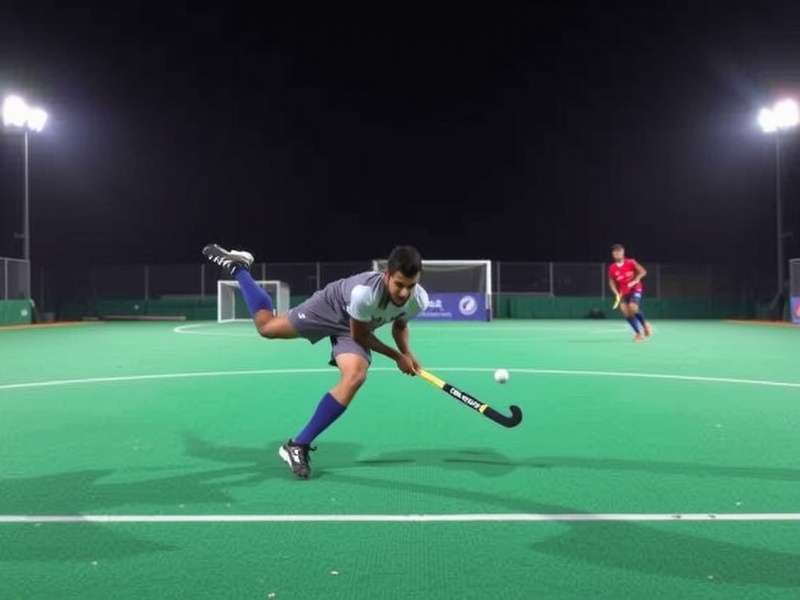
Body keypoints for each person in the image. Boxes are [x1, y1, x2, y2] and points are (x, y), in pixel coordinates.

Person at [203, 243, 429, 479]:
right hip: (331, 308)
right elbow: (360, 336)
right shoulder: (365, 293)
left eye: (410, 286)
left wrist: (407, 353)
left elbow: (400, 325)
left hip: (356, 326)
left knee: (355, 376)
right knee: (267, 327)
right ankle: (240, 268)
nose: (404, 293)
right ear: (387, 275)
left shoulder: (419, 300)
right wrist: (397, 357)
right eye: (399, 285)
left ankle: (297, 445)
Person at [607, 243, 652, 341]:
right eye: (615, 252)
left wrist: (636, 280)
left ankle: (645, 325)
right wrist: (616, 293)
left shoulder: (631, 262)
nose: (617, 253)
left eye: (619, 251)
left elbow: (643, 271)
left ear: (623, 252)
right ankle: (638, 334)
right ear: (612, 254)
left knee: (632, 307)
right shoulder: (612, 268)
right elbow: (611, 282)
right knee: (625, 311)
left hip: (635, 289)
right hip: (623, 292)